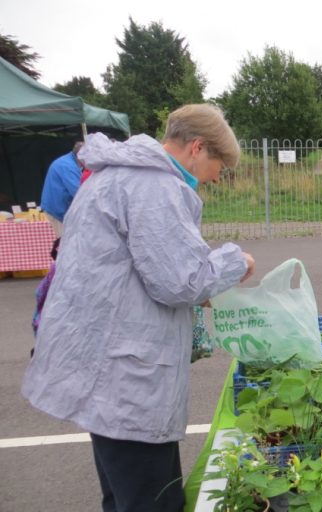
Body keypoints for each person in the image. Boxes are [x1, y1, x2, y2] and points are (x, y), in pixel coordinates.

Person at [22, 103, 256, 512]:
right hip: (125, 379)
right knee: (151, 500)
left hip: (106, 369)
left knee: (125, 495)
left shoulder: (117, 176)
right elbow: (179, 281)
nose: (219, 176)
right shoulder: (153, 187)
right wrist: (237, 262)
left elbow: (140, 269)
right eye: (220, 164)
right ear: (197, 148)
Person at [40, 141, 85, 235]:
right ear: (81, 156)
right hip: (57, 209)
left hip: (59, 207)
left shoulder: (69, 161)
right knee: (65, 242)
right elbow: (78, 192)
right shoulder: (68, 166)